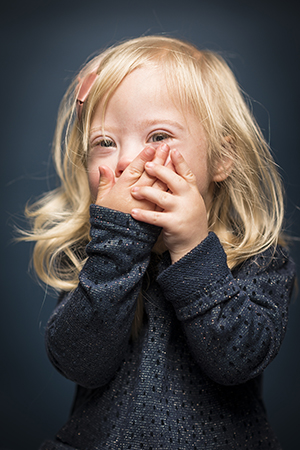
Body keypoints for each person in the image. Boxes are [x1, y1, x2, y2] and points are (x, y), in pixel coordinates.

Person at [22, 35, 295, 449]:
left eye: (157, 136)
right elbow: (79, 364)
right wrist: (115, 248)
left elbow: (240, 360)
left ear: (221, 158)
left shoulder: (258, 256)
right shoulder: (91, 253)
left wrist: (193, 250)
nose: (126, 161)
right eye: (105, 142)